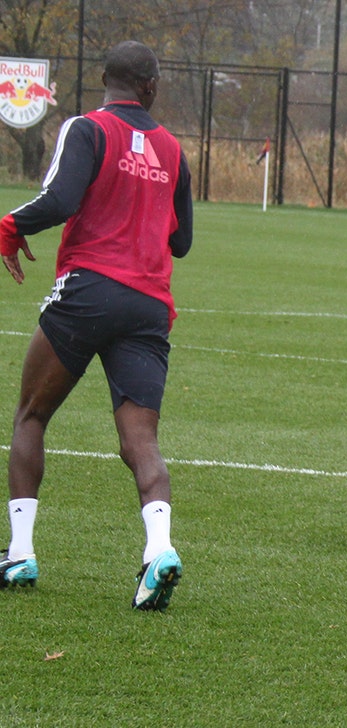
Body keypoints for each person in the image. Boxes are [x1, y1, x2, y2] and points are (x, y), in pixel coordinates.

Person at [0, 41, 193, 611]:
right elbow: (180, 242)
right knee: (142, 443)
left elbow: (60, 198)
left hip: (89, 291)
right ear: (151, 87)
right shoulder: (174, 150)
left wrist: (10, 225)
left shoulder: (85, 128)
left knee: (31, 413)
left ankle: (20, 552)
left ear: (103, 80)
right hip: (149, 304)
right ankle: (159, 549)